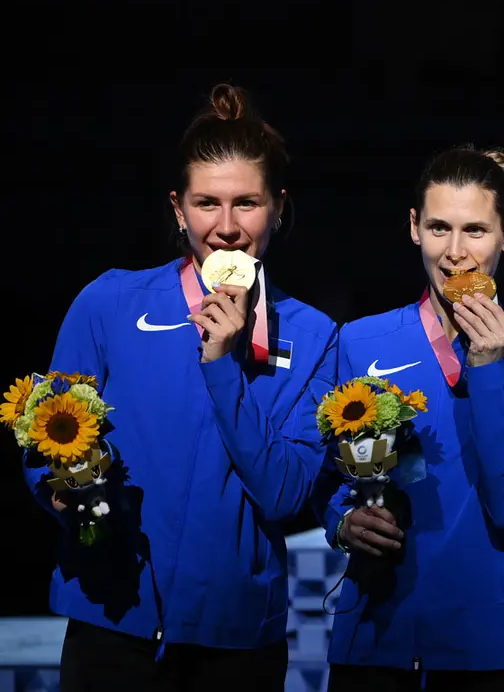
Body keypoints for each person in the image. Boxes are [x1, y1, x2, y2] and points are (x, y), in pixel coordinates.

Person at [21, 83, 338, 691]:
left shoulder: (317, 336)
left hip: (237, 641)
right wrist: (55, 491)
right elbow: (46, 434)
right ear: (177, 209)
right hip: (111, 622)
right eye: (205, 204)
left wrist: (221, 363)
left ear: (278, 206)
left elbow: (283, 494)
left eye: (246, 203)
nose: (226, 227)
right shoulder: (111, 301)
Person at [317, 145, 504, 691]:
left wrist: (485, 369)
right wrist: (343, 521)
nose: (455, 253)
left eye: (476, 231)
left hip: (494, 653)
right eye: (438, 228)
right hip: (374, 645)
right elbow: (325, 479)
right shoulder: (360, 341)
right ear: (414, 227)